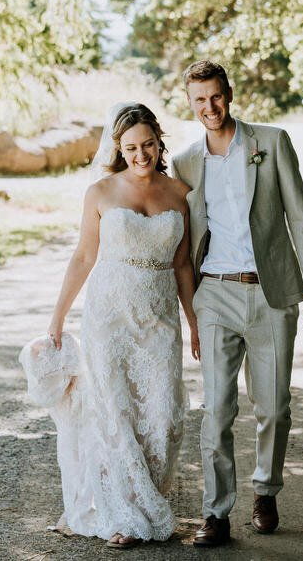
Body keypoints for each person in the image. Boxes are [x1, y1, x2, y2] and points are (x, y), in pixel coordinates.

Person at [170, 61, 303, 547]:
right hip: (215, 294)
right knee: (216, 411)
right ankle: (216, 512)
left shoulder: (272, 142)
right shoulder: (184, 163)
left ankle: (266, 491)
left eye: (216, 96)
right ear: (189, 102)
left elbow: (300, 220)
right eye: (199, 100)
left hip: (272, 293)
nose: (210, 108)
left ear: (230, 93)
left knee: (274, 406)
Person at [26, 103, 200, 549]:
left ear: (159, 141)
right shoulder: (100, 193)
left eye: (147, 144)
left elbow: (183, 266)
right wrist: (57, 318)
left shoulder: (181, 193)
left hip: (159, 316)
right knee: (115, 413)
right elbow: (84, 257)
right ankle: (121, 514)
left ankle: (149, 500)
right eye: (130, 147)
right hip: (109, 316)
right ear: (118, 148)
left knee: (164, 416)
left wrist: (194, 322)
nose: (140, 154)